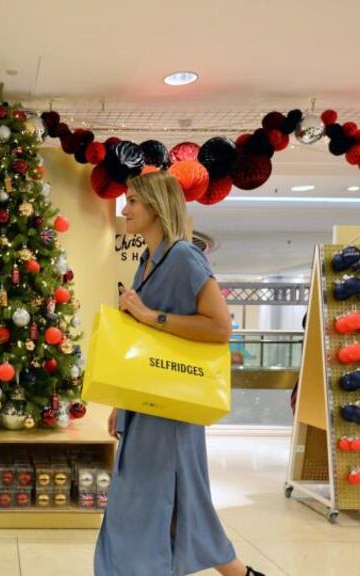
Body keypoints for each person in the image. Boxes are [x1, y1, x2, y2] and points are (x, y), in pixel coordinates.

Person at [95, 172, 264, 576]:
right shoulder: (147, 260)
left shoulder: (185, 257)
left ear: (155, 205)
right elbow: (142, 343)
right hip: (149, 401)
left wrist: (151, 315)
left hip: (174, 405)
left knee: (157, 499)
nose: (124, 209)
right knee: (164, 497)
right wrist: (123, 400)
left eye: (133, 201)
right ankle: (237, 572)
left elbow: (220, 328)